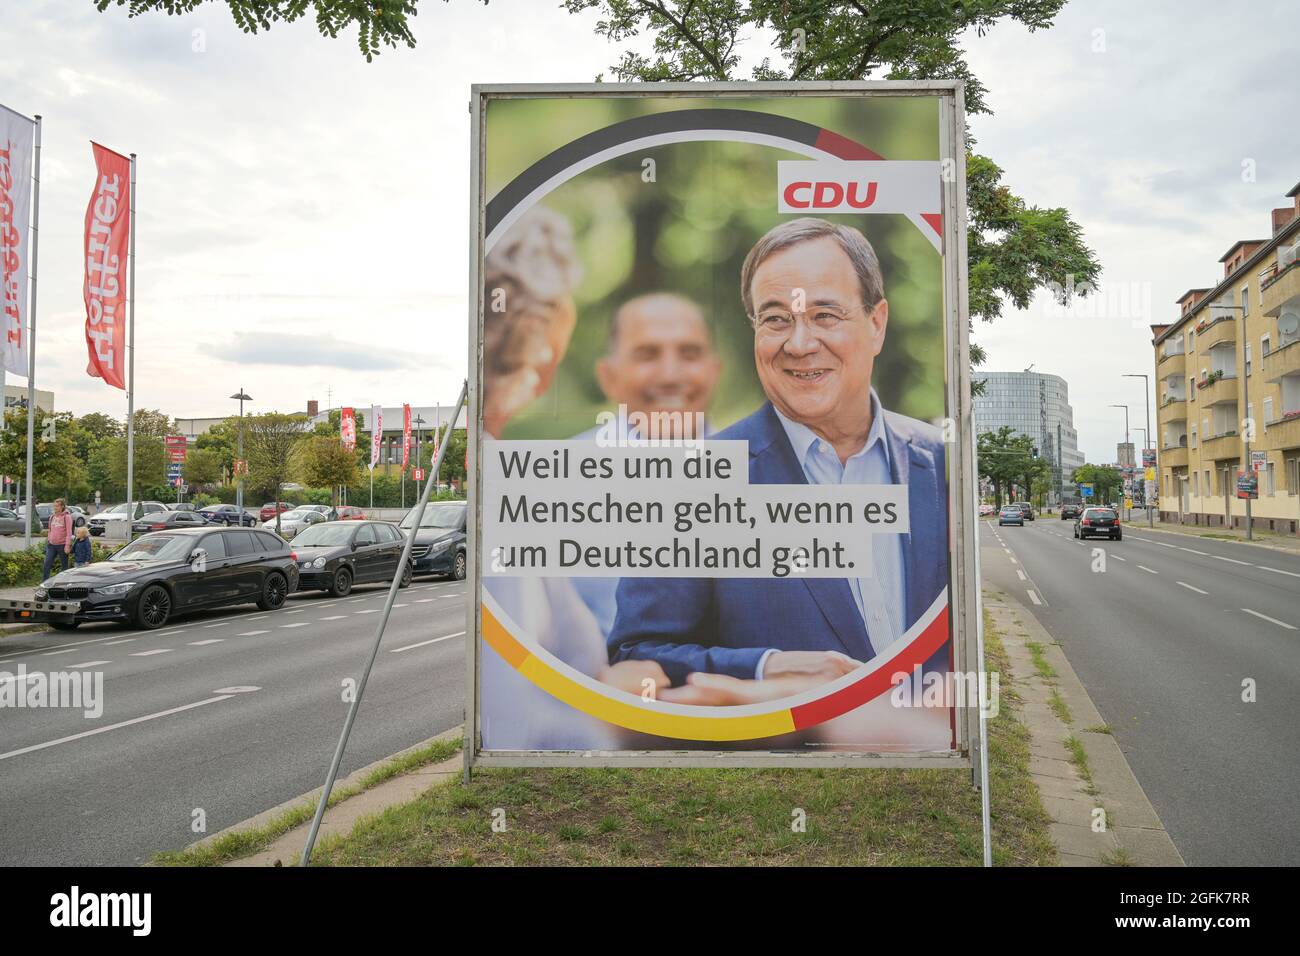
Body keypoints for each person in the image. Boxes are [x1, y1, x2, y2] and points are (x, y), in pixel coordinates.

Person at [608, 217, 949, 702]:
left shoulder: (940, 465)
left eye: (825, 315)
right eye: (776, 319)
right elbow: (636, 656)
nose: (800, 343)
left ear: (876, 325)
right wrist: (766, 668)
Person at [572, 292, 722, 634]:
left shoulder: (766, 472)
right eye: (647, 354)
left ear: (714, 371)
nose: (670, 375)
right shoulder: (553, 484)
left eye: (690, 354)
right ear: (608, 376)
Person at [42, 498, 75, 580]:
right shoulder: (52, 517)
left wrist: (67, 545)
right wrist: (49, 540)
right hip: (52, 545)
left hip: (62, 545)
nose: (55, 508)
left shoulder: (67, 517)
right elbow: (50, 530)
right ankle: (44, 583)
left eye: (57, 506)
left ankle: (64, 583)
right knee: (47, 563)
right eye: (54, 506)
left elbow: (69, 532)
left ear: (62, 506)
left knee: (64, 566)